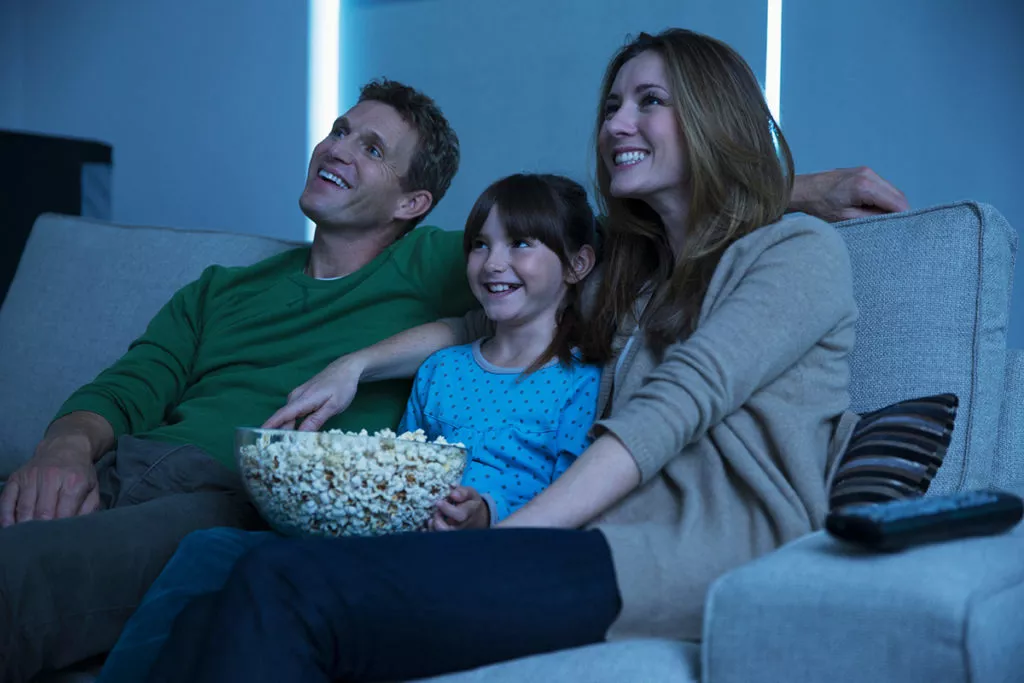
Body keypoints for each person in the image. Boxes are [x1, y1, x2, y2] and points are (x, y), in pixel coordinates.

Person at [0, 47, 904, 683]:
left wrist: (507, 543)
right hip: (592, 550)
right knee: (215, 596)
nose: (616, 121)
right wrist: (356, 364)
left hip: (669, 565)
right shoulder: (635, 289)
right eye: (612, 104)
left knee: (280, 581)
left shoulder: (793, 255)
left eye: (649, 101)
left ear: (711, 115)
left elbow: (672, 406)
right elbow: (505, 303)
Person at [0, 79, 473, 683]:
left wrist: (361, 361)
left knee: (18, 574)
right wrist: (62, 451)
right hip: (122, 467)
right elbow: (127, 386)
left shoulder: (432, 265)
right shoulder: (220, 287)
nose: (338, 149)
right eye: (339, 131)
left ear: (411, 204)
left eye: (373, 150)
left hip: (234, 502)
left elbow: (556, 261)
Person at [94, 172, 601, 682]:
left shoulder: (580, 384)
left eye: (520, 243)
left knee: (251, 594)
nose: (493, 263)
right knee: (208, 553)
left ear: (578, 264)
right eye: (479, 245)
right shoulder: (440, 369)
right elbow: (399, 466)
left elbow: (575, 497)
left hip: (477, 563)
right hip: (387, 544)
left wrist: (486, 512)